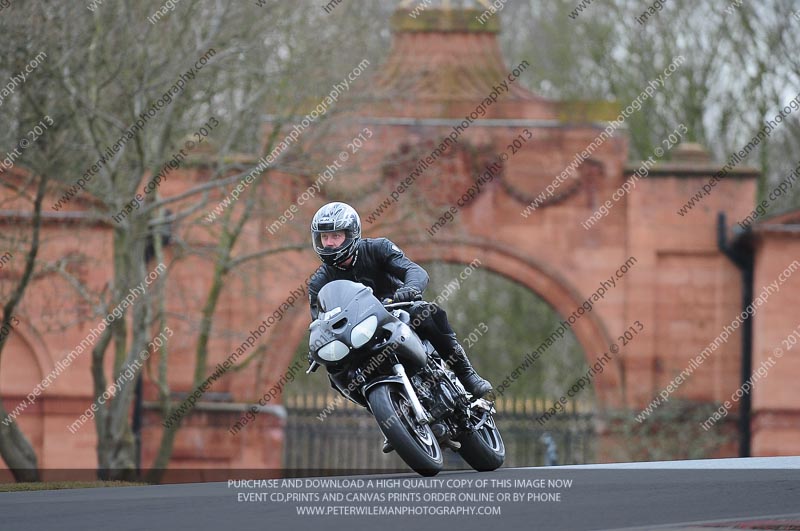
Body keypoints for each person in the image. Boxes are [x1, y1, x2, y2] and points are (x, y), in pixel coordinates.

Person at [307, 201, 493, 403]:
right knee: (335, 368)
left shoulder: (378, 249)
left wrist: (409, 289)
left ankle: (466, 374)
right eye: (325, 237)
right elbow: (319, 322)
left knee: (426, 312)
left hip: (396, 315)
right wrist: (317, 345)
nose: (330, 243)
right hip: (357, 335)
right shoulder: (318, 282)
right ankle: (386, 414)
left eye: (336, 236)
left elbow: (414, 271)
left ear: (352, 234)